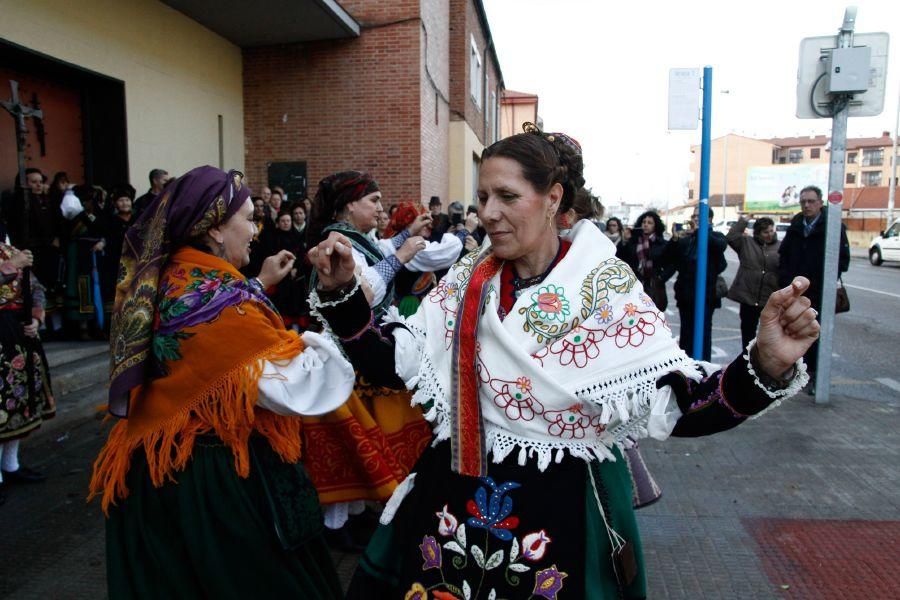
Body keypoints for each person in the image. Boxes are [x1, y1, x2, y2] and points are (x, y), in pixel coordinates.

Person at [308, 122, 819, 599]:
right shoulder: (466, 280)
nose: (487, 213)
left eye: (507, 196)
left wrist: (765, 366)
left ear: (553, 199)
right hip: (453, 504)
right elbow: (388, 361)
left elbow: (678, 405)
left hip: (561, 512)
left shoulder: (604, 289)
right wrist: (340, 292)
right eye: (484, 196)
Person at [88, 166, 354, 599]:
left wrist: (256, 286)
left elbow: (206, 321)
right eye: (249, 218)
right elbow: (304, 389)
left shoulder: (170, 278)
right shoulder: (223, 305)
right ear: (213, 229)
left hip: (155, 474)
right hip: (208, 484)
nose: (256, 229)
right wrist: (338, 305)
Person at [302, 171, 433, 546]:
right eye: (373, 200)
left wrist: (406, 239)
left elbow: (381, 252)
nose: (380, 207)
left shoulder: (359, 240)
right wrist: (403, 255)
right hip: (341, 354)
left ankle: (356, 515)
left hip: (361, 351)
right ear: (348, 205)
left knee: (363, 437)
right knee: (348, 440)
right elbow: (359, 293)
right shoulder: (335, 243)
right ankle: (335, 525)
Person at [777, 185, 850, 393]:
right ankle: (797, 375)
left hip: (820, 293)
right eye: (803, 202)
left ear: (820, 203)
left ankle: (816, 377)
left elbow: (842, 260)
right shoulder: (796, 224)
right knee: (794, 333)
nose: (806, 205)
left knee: (816, 335)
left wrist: (826, 282)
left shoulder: (833, 226)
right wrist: (786, 280)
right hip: (797, 292)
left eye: (810, 201)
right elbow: (785, 255)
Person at [0, 242, 56, 505]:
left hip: (19, 334)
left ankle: (11, 465)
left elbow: (36, 288)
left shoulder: (11, 250)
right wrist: (11, 267)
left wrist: (35, 319)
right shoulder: (14, 258)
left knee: (21, 401)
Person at [661, 205, 728, 361]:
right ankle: (687, 370)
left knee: (703, 334)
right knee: (686, 334)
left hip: (706, 296)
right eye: (694, 216)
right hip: (686, 295)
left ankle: (704, 369)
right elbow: (667, 258)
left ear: (710, 220)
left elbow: (719, 247)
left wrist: (699, 231)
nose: (695, 219)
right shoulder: (687, 240)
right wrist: (675, 239)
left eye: (700, 216)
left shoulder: (716, 236)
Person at [380, 202, 468, 316]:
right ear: (410, 224)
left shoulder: (414, 243)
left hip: (422, 303)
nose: (429, 225)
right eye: (424, 221)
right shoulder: (410, 246)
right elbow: (446, 252)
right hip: (411, 307)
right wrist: (466, 231)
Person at [727, 215, 781, 349]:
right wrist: (743, 221)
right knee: (748, 334)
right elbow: (731, 237)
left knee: (768, 335)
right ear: (757, 233)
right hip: (748, 298)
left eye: (771, 231)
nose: (769, 234)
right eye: (765, 232)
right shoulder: (747, 243)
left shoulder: (780, 247)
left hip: (769, 298)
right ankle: (747, 361)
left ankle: (764, 363)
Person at [266, 209, 308, 331]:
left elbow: (301, 255)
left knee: (297, 304)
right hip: (281, 279)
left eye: (288, 221)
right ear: (278, 222)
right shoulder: (273, 238)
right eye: (283, 221)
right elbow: (270, 255)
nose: (286, 223)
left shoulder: (296, 237)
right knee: (283, 305)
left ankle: (298, 328)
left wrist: (295, 268)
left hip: (296, 278)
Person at [620, 210, 668, 311]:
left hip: (653, 286)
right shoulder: (633, 241)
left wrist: (661, 277)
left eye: (649, 223)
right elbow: (621, 258)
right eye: (644, 222)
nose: (646, 225)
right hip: (635, 285)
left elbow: (670, 263)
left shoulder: (661, 243)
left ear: (655, 226)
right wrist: (625, 241)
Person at [101, 184, 136, 321]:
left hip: (134, 260)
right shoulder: (110, 220)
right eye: (121, 200)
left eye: (127, 200)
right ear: (115, 203)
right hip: (115, 261)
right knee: (117, 291)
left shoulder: (138, 218)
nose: (125, 203)